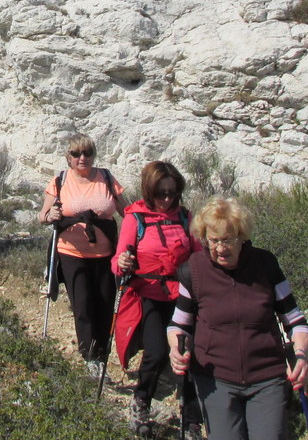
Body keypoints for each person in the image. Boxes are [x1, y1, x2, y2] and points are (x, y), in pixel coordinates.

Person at [167, 197, 308, 440]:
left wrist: (301, 356)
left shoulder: (265, 265)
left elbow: (295, 320)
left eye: (228, 240)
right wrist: (176, 350)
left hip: (267, 377)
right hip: (215, 379)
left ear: (242, 237)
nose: (221, 248)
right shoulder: (194, 270)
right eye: (213, 240)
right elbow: (179, 324)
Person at [113, 161, 204, 436]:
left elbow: (198, 256)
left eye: (172, 193)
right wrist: (124, 263)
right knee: (156, 352)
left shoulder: (186, 218)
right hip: (149, 295)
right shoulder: (135, 218)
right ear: (149, 191)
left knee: (188, 355)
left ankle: (191, 420)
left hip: (183, 296)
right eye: (161, 193)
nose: (166, 199)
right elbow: (117, 262)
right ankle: (141, 401)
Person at [38, 133, 129, 380]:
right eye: (76, 154)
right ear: (68, 157)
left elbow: (128, 212)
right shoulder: (60, 180)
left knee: (104, 304)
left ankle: (100, 354)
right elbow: (42, 216)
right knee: (83, 305)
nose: (82, 158)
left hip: (105, 254)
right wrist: (52, 216)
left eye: (87, 153)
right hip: (71, 253)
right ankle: (91, 358)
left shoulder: (107, 179)